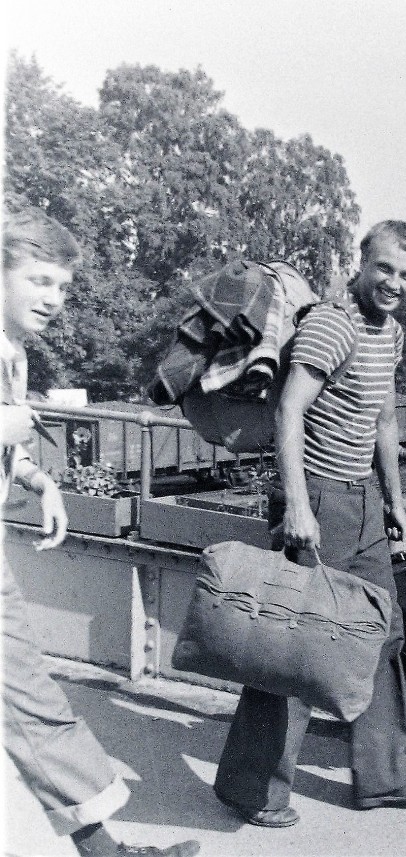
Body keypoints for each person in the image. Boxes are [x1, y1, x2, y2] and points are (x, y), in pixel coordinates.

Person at [213, 220, 406, 827]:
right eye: (385, 269)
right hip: (315, 496)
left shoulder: (388, 334)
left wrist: (394, 498)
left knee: (381, 632)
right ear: (362, 263)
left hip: (363, 500)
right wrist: (297, 506)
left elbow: (385, 419)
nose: (394, 283)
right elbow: (290, 411)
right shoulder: (333, 323)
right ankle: (251, 788)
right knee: (293, 644)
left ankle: (385, 777)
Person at [1, 208, 199, 857]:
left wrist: (37, 480)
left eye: (61, 286)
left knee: (27, 701)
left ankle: (103, 849)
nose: (53, 299)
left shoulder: (14, 352)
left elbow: (12, 439)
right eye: (39, 280)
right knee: (30, 698)